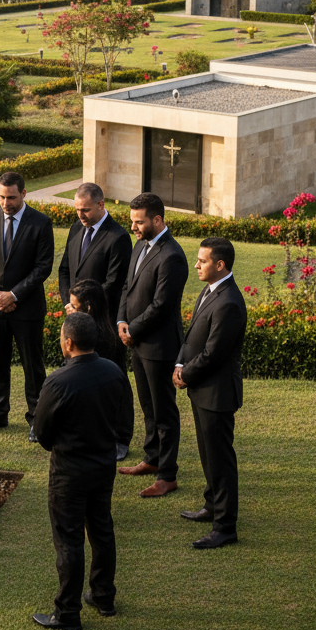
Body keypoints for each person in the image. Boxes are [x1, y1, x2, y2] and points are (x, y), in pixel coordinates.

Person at [33, 312, 128, 630]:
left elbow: (42, 432)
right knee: (101, 530)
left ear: (69, 343)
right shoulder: (113, 372)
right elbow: (120, 416)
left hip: (69, 471)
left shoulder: (58, 381)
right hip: (103, 465)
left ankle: (67, 613)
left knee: (69, 539)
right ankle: (103, 597)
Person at [173, 237, 246, 549]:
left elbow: (214, 353)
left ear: (220, 264)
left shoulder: (229, 302)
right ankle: (212, 505)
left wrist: (184, 375)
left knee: (220, 460)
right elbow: (193, 336)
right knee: (208, 454)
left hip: (217, 393)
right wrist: (180, 363)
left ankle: (225, 527)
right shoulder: (211, 289)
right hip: (202, 390)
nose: (196, 265)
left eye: (202, 261)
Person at [0, 171, 55, 440]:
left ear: (24, 193)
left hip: (27, 309)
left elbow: (43, 267)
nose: (6, 203)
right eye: (1, 197)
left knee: (33, 367)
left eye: (11, 197)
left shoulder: (41, 223)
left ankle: (36, 419)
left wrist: (14, 295)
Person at [116, 192, 189, 497]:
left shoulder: (172, 256)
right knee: (148, 406)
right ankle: (152, 458)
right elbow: (127, 287)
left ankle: (167, 475)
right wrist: (121, 321)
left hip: (159, 347)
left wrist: (132, 329)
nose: (133, 227)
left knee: (164, 412)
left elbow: (161, 305)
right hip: (137, 343)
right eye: (132, 221)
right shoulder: (139, 245)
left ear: (157, 220)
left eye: (139, 222)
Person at [69, 279, 135, 460]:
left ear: (88, 308)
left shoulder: (101, 339)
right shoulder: (95, 329)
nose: (69, 309)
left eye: (74, 307)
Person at [58, 183, 131, 322]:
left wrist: (82, 306)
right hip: (74, 316)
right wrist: (69, 304)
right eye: (77, 210)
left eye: (85, 210)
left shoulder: (118, 237)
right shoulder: (76, 228)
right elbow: (64, 270)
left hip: (101, 320)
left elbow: (114, 283)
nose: (80, 215)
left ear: (100, 205)